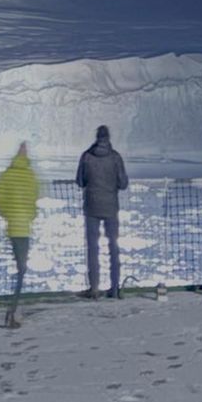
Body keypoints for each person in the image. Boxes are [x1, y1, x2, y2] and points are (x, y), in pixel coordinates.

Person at [75, 124, 128, 298]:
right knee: (114, 247)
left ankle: (94, 288)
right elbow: (123, 183)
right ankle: (115, 288)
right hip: (111, 207)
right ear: (108, 137)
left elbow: (80, 181)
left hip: (91, 206)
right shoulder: (115, 157)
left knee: (93, 248)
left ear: (96, 137)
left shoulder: (87, 156)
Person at [0, 142, 40, 327]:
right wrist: (29, 216)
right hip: (24, 228)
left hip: (12, 226)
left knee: (19, 269)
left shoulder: (8, 175)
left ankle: (12, 307)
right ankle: (12, 310)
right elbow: (34, 199)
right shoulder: (30, 176)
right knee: (21, 270)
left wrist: (7, 214)